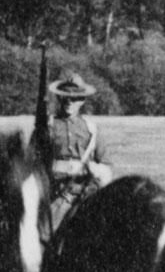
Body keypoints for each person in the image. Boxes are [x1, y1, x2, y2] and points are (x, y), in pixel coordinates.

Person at [38, 76, 111, 233]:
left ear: (82, 101)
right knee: (44, 235)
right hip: (57, 194)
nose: (70, 102)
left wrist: (96, 169)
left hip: (87, 193)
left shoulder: (91, 128)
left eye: (75, 98)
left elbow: (105, 164)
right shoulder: (47, 126)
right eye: (66, 97)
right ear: (59, 97)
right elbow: (34, 162)